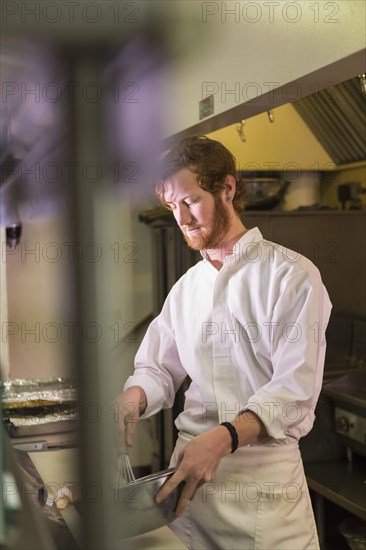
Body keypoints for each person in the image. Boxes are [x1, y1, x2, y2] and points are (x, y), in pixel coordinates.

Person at [115, 135, 332, 549]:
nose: (182, 218)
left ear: (227, 189)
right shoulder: (187, 288)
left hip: (261, 496)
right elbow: (158, 368)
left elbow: (294, 392)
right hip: (187, 495)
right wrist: (134, 398)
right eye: (172, 207)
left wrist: (223, 438)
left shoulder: (291, 276)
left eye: (191, 201)